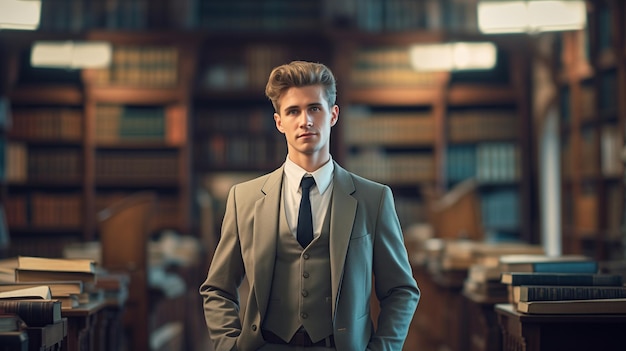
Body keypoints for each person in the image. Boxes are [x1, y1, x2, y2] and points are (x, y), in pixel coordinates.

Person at [199, 60, 420, 351]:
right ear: (279, 122)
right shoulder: (244, 198)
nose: (305, 121)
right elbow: (217, 288)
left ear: (333, 115)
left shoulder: (373, 199)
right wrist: (230, 347)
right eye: (293, 111)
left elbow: (401, 290)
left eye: (314, 108)